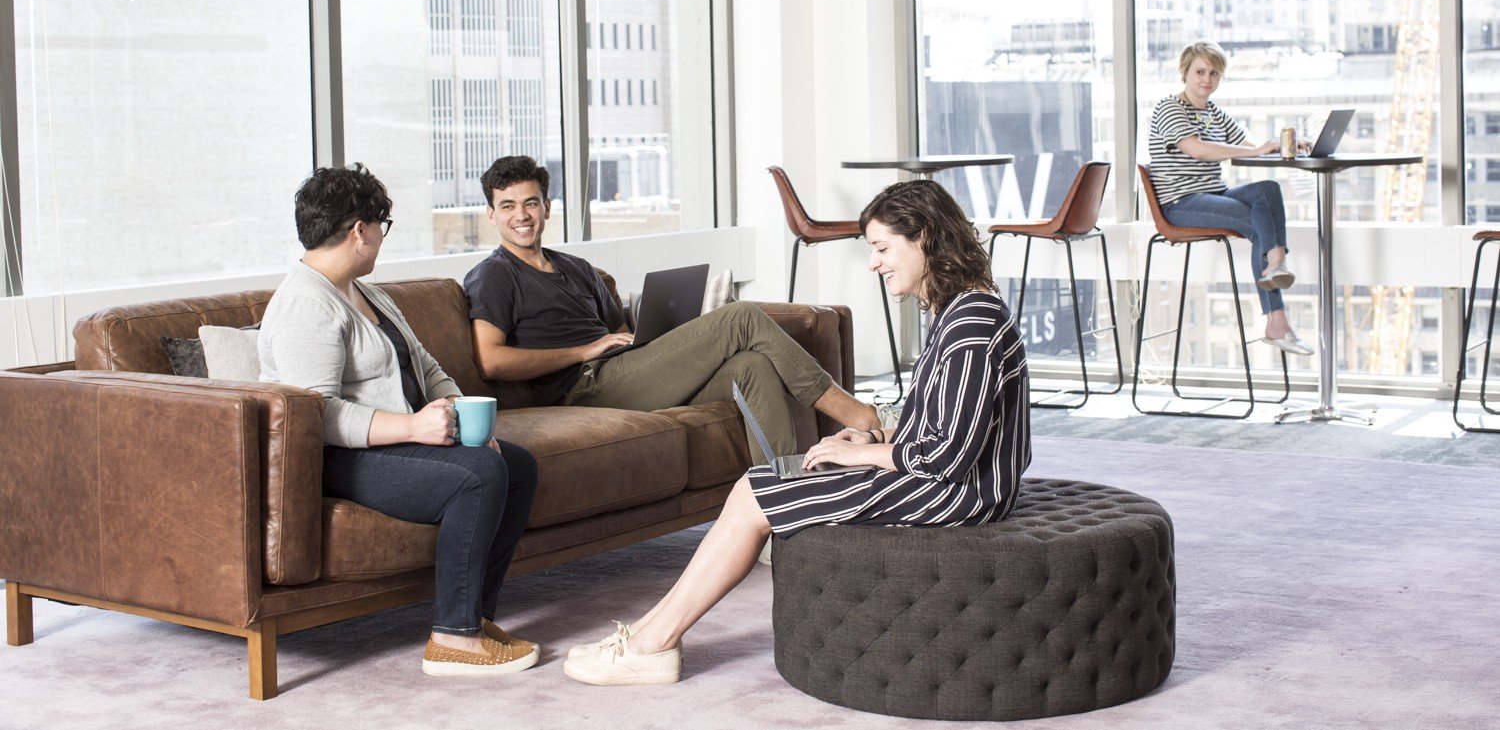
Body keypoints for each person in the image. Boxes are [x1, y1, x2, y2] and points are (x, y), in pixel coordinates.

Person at [561, 179, 1031, 686]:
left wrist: (864, 458)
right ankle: (644, 636)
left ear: (924, 239)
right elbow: (951, 421)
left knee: (752, 496)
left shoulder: (970, 327)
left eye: (881, 248)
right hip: (955, 484)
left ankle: (652, 645)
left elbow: (949, 453)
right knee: (762, 483)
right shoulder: (962, 312)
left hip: (955, 495)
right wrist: (876, 439)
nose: (874, 263)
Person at [258, 164, 540, 677]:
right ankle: (453, 638)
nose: (380, 242)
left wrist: (462, 415)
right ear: (359, 231)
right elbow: (313, 417)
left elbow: (426, 366)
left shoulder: (367, 292)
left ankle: (475, 615)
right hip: (338, 459)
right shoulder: (306, 304)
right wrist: (413, 428)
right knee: (479, 476)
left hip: (393, 444)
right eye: (380, 229)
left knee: (517, 464)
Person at [463, 156, 880, 464]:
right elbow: (492, 361)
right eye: (508, 205)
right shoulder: (494, 275)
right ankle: (857, 414)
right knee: (742, 316)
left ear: (547, 207)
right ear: (491, 214)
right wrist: (583, 351)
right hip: (582, 388)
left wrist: (664, 340)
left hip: (624, 373)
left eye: (531, 203)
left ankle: (785, 500)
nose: (522, 215)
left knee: (752, 365)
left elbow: (624, 334)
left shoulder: (578, 268)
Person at [1148, 40, 1314, 355]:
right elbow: (1196, 148)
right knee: (1256, 223)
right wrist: (1255, 150)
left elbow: (1253, 145)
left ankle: (1276, 263)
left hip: (1214, 194)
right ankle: (1276, 320)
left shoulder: (1214, 113)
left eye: (1214, 73)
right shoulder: (1169, 107)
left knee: (1268, 190)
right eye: (1199, 71)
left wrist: (1287, 144)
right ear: (1185, 72)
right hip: (1180, 203)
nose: (1206, 79)